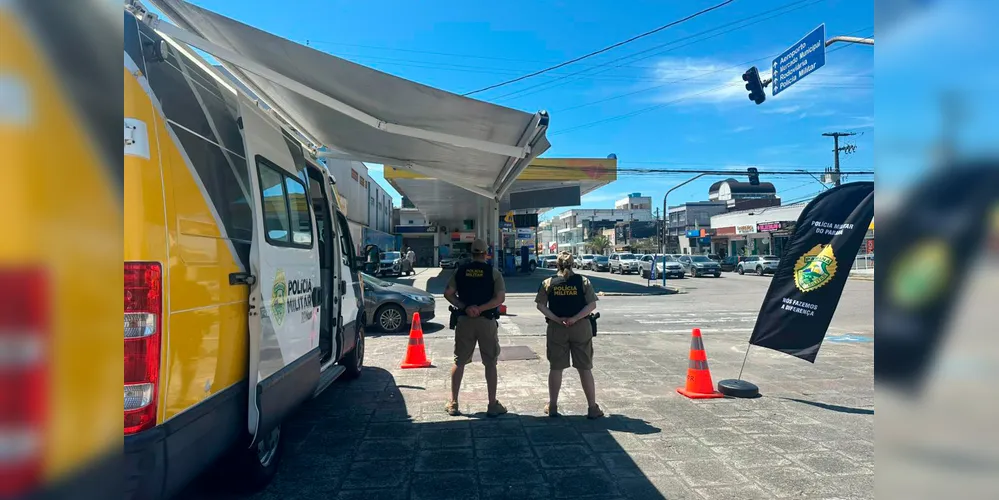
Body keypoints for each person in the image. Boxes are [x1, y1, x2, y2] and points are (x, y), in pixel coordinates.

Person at [535, 252, 603, 419]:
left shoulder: (548, 282)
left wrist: (557, 319)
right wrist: (575, 318)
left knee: (556, 367)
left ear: (556, 265)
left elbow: (540, 305)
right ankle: (592, 407)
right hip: (580, 327)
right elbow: (592, 305)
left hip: (557, 328)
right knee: (584, 368)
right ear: (573, 264)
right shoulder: (583, 281)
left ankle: (552, 406)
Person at [443, 239, 507, 417]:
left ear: (471, 253)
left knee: (459, 361)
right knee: (490, 363)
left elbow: (448, 293)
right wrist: (481, 309)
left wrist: (465, 307)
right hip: (486, 321)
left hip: (464, 320)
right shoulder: (493, 273)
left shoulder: (460, 271)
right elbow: (500, 298)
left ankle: (454, 403)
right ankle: (492, 404)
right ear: (486, 253)